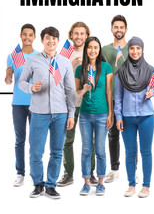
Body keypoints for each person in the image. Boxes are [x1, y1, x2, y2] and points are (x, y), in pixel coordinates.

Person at [18, 26, 76, 199]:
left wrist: (71, 113)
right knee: (36, 151)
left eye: (54, 38)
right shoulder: (33, 61)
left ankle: (51, 185)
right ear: (42, 40)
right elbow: (21, 82)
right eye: (48, 38)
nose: (51, 41)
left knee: (57, 151)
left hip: (60, 113)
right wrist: (30, 87)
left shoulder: (64, 62)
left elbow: (71, 90)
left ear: (58, 41)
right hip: (38, 113)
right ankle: (38, 184)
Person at [115, 36, 154, 198]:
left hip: (146, 116)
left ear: (142, 50)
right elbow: (118, 97)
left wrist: (151, 92)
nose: (135, 51)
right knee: (130, 152)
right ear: (128, 50)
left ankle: (146, 186)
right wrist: (118, 117)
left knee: (146, 152)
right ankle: (131, 184)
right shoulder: (121, 72)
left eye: (138, 48)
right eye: (132, 48)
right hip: (127, 118)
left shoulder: (151, 70)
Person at [57, 22, 97, 187]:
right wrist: (70, 66)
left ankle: (91, 173)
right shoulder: (65, 54)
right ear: (71, 35)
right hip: (70, 103)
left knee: (90, 140)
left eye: (82, 33)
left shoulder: (92, 51)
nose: (79, 36)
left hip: (88, 102)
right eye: (76, 33)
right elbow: (55, 79)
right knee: (67, 140)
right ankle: (68, 173)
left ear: (87, 35)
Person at [75, 36, 113, 196]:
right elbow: (76, 94)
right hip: (84, 114)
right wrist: (83, 90)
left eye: (95, 47)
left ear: (99, 50)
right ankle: (85, 182)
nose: (92, 50)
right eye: (90, 47)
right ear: (86, 50)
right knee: (85, 149)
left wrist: (110, 113)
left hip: (102, 114)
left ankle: (100, 183)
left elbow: (109, 91)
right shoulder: (79, 69)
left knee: (100, 150)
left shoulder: (106, 67)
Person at [4, 23, 39, 187]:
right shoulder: (13, 56)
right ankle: (20, 173)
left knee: (35, 140)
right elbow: (9, 82)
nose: (27, 37)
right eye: (24, 34)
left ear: (34, 37)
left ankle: (35, 173)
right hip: (18, 103)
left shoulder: (39, 56)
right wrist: (7, 75)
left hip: (35, 103)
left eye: (30, 34)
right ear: (20, 36)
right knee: (20, 139)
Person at [102, 15, 128, 183]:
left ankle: (133, 169)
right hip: (110, 96)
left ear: (126, 29)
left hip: (129, 98)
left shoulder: (133, 47)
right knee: (112, 134)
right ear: (111, 29)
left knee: (131, 133)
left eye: (121, 27)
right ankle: (114, 168)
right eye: (115, 27)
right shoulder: (104, 50)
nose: (118, 30)